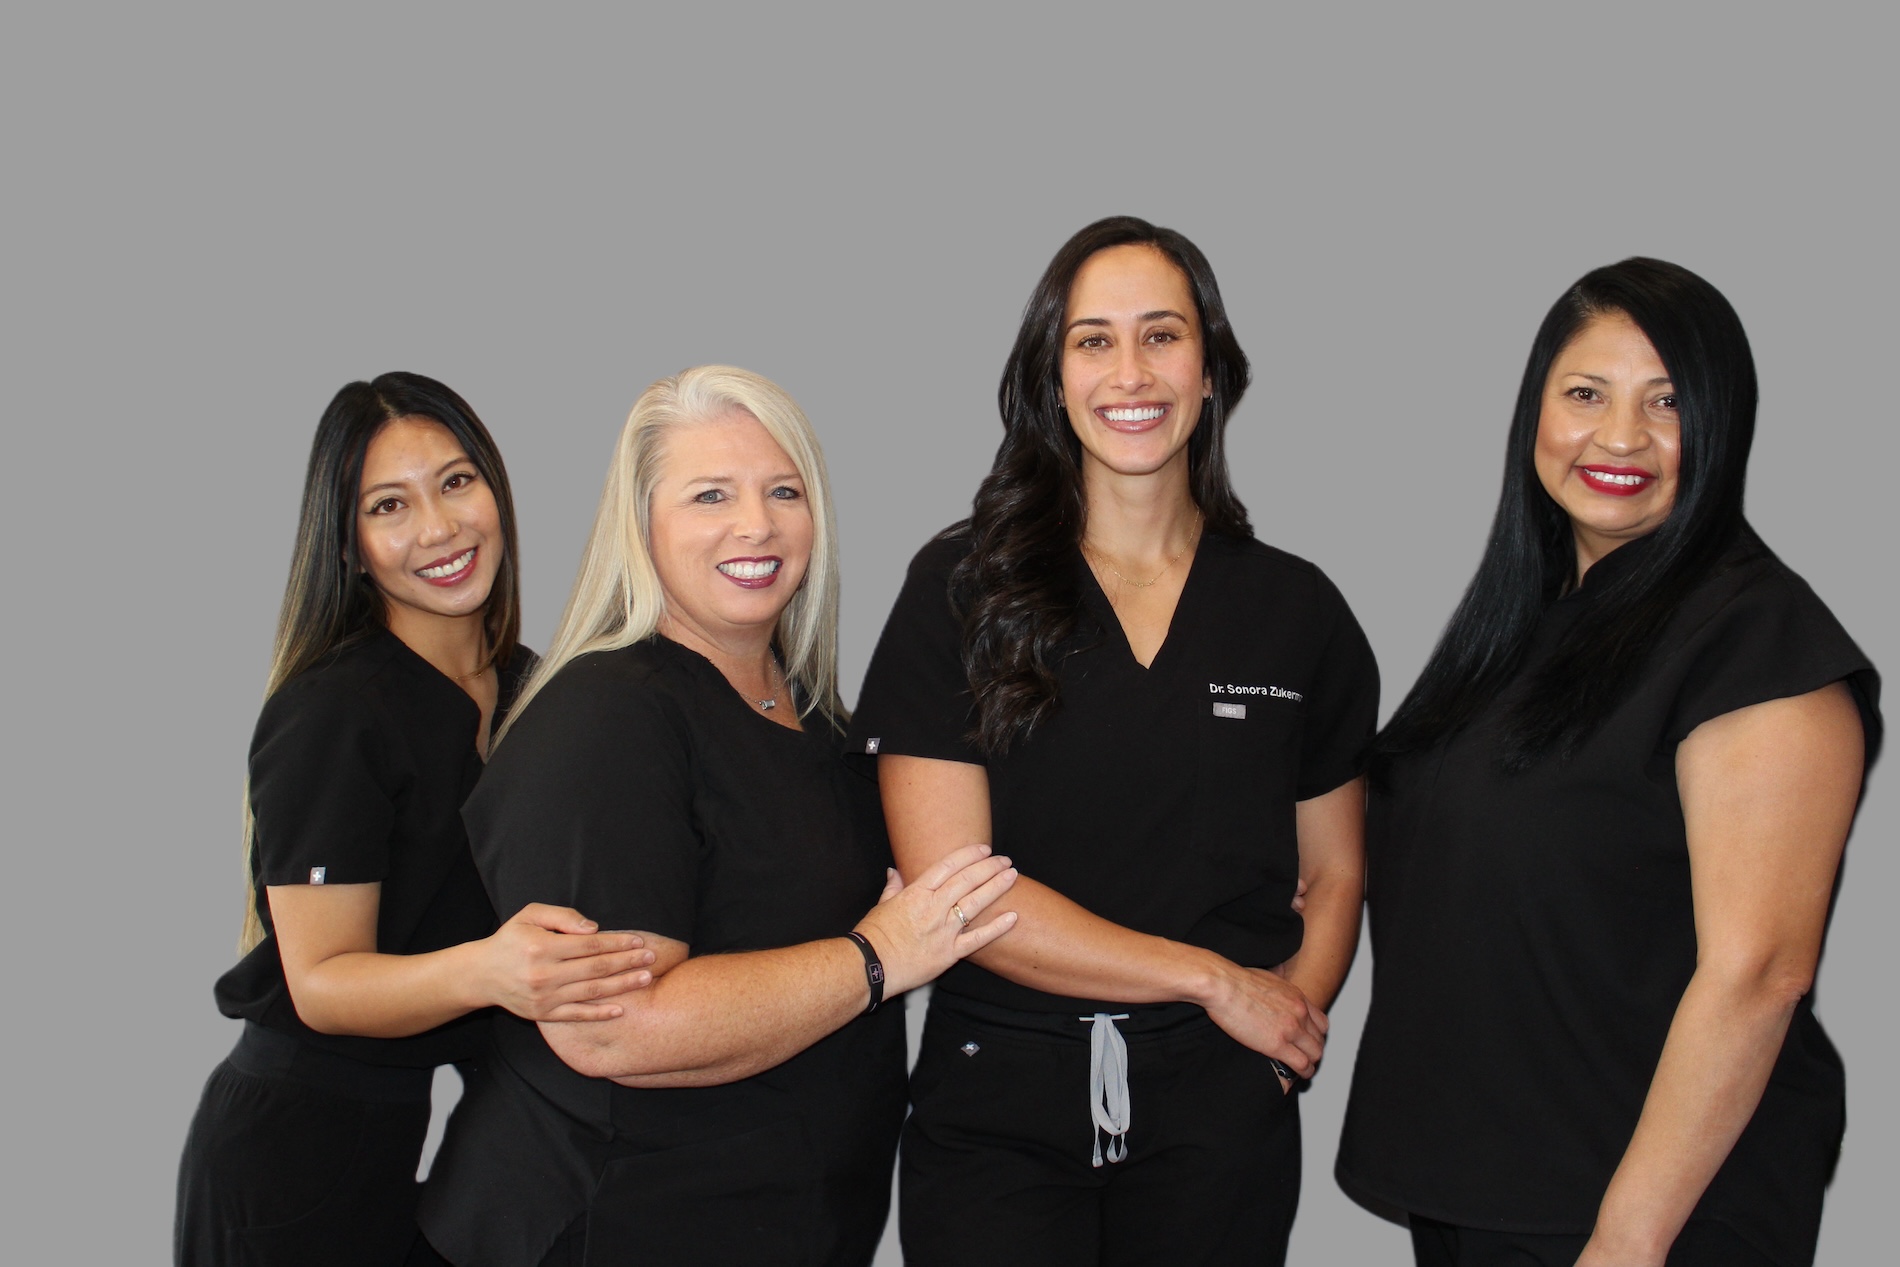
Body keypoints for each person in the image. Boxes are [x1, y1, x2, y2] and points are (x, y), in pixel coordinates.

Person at [849, 216, 1379, 1266]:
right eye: (1092, 340)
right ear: (1052, 377)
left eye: (1162, 336)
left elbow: (1334, 871)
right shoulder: (960, 589)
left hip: (1220, 1108)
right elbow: (955, 895)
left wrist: (1286, 1028)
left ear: (1211, 371)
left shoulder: (1296, 610)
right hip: (997, 1107)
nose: (1129, 372)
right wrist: (1211, 977)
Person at [1335, 258, 1881, 1267]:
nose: (1620, 436)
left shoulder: (1758, 643)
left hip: (1643, 1216)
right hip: (1488, 1182)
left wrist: (1628, 1240)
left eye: (1666, 402)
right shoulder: (1524, 628)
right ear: (1534, 413)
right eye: (1586, 394)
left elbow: (1759, 973)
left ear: (1722, 424)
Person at [416, 365, 1019, 1267]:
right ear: (642, 524)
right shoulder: (610, 716)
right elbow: (612, 1024)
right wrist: (877, 957)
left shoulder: (812, 711)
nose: (757, 524)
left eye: (784, 491)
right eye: (711, 494)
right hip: (616, 1226)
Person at [174, 373, 654, 1267]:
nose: (438, 528)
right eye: (389, 505)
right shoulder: (334, 712)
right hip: (293, 1159)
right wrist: (494, 969)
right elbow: (321, 985)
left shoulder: (538, 691)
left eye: (456, 482)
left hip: (455, 1142)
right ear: (350, 545)